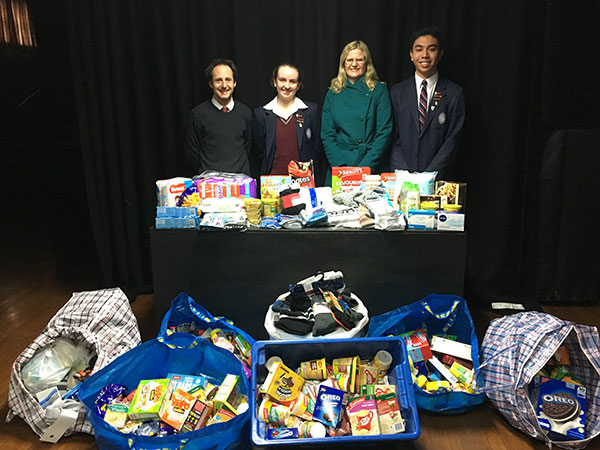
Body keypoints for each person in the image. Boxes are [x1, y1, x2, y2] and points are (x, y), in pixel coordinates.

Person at [389, 27, 465, 178]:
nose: (425, 55)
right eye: (419, 49)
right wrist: (403, 173)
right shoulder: (397, 92)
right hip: (403, 178)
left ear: (440, 54)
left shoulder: (454, 93)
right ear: (411, 55)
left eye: (431, 49)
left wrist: (429, 176)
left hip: (439, 179)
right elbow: (392, 137)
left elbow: (453, 140)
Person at [321, 40, 392, 184]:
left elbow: (384, 133)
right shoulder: (333, 93)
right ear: (343, 63)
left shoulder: (379, 91)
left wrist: (364, 169)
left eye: (359, 60)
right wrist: (341, 167)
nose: (354, 64)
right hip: (340, 166)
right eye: (350, 60)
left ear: (367, 63)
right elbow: (327, 134)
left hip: (370, 165)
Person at [252, 63, 323, 184]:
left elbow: (317, 150)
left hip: (303, 183)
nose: (287, 86)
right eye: (282, 80)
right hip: (271, 185)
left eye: (292, 81)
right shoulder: (261, 115)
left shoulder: (310, 112)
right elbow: (258, 154)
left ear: (299, 85)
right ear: (275, 82)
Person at [184, 59, 252, 176]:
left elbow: (248, 147)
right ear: (211, 83)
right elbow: (193, 153)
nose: (224, 85)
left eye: (228, 80)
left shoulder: (245, 113)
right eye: (218, 80)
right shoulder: (198, 114)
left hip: (241, 183)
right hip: (210, 184)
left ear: (234, 83)